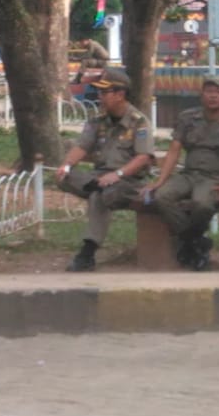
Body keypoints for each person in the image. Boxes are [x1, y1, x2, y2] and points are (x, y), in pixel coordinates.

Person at [142, 74, 219, 271]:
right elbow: (174, 150)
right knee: (162, 196)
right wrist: (160, 180)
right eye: (209, 92)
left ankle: (189, 244)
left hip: (214, 177)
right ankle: (195, 242)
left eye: (218, 93)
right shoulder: (188, 118)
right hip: (188, 174)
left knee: (202, 204)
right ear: (201, 95)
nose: (213, 96)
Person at [56, 68, 154, 272]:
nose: (99, 97)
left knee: (100, 195)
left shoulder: (138, 122)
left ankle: (88, 252)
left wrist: (116, 175)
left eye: (104, 92)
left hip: (128, 181)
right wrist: (66, 165)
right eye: (99, 93)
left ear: (120, 95)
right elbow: (82, 146)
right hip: (99, 176)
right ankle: (94, 186)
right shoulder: (97, 121)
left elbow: (143, 157)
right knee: (65, 178)